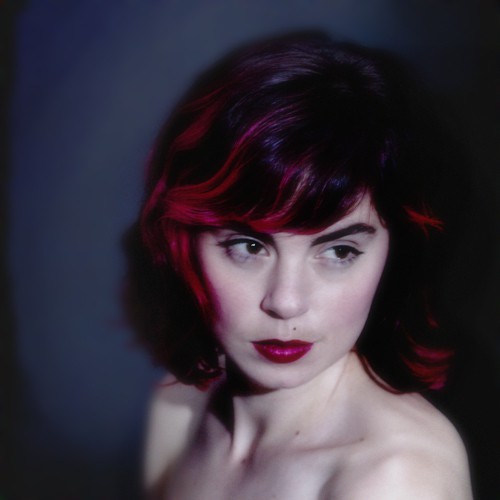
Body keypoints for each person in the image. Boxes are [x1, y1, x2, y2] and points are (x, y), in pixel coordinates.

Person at [126, 32, 473, 499]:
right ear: (182, 240)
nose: (286, 302)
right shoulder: (176, 412)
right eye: (248, 246)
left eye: (339, 252)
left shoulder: (395, 478)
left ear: (392, 254)